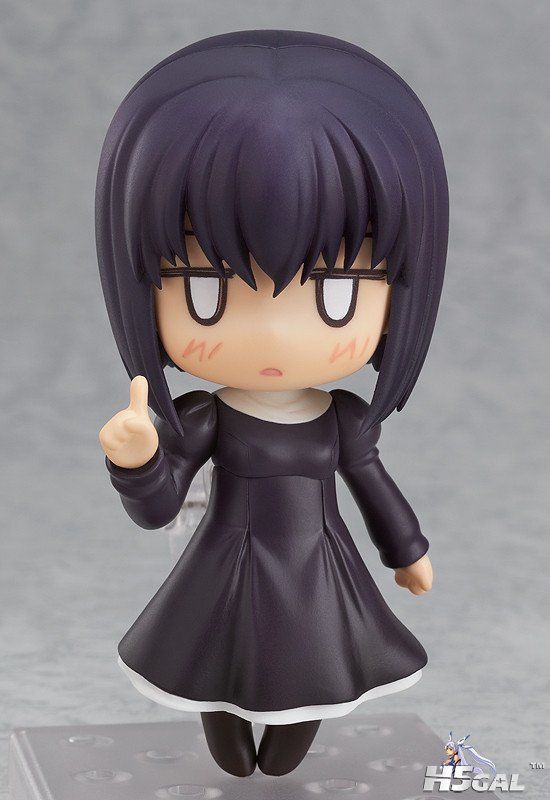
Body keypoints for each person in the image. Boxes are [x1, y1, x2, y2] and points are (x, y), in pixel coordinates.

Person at [96, 29, 449, 777]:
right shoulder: (206, 417)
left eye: (335, 293)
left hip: (319, 566)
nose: (272, 334)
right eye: (206, 290)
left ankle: (292, 735)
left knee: (318, 660)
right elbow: (160, 508)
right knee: (212, 659)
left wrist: (407, 550)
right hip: (223, 565)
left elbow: (373, 485)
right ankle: (225, 722)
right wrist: (138, 461)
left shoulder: (343, 419)